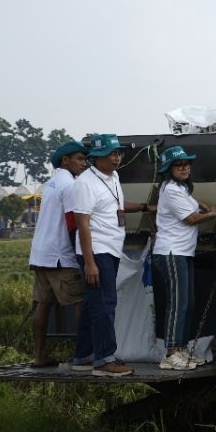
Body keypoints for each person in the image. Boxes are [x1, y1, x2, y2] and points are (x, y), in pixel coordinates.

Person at [70, 134, 151, 377]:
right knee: (105, 304)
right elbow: (82, 224)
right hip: (97, 251)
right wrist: (90, 263)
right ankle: (105, 360)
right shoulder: (85, 184)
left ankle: (83, 356)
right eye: (112, 154)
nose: (117, 158)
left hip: (111, 249)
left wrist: (147, 207)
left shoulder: (113, 177)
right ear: (97, 157)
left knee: (92, 303)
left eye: (119, 153)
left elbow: (119, 206)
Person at [151, 145, 216, 370]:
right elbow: (190, 219)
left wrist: (202, 205)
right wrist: (212, 214)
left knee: (187, 302)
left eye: (187, 164)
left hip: (183, 251)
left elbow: (192, 204)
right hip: (172, 252)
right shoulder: (171, 190)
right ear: (169, 169)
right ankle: (171, 352)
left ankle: (180, 349)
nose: (185, 168)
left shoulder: (181, 189)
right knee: (178, 303)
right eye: (179, 165)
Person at [26, 140, 88, 368]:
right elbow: (73, 224)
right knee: (81, 301)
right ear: (65, 160)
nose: (84, 163)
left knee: (43, 304)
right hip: (61, 256)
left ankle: (40, 355)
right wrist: (83, 256)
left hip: (40, 254)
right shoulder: (70, 185)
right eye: (80, 159)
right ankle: (83, 353)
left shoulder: (51, 183)